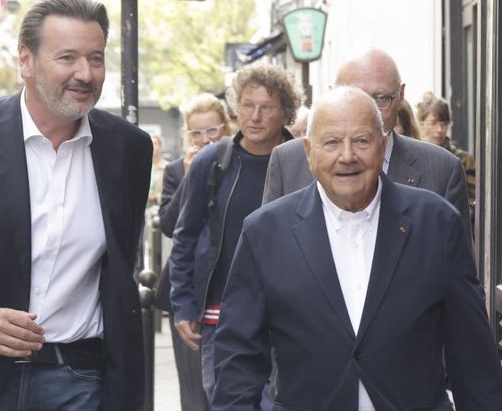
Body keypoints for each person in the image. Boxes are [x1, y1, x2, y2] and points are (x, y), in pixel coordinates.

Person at [0, 0, 152, 411]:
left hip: (80, 380)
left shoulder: (128, 148)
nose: (85, 74)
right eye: (67, 57)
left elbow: (118, 271)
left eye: (96, 59)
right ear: (25, 60)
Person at [213, 87, 502, 411]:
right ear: (309, 152)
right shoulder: (264, 232)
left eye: (361, 141)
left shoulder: (436, 222)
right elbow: (237, 360)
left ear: (381, 146)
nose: (347, 155)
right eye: (332, 142)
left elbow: (472, 355)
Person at [169, 62, 303, 408]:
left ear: (286, 112)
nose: (255, 116)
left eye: (266, 107)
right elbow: (185, 236)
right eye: (247, 105)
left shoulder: (303, 160)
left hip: (288, 315)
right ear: (235, 108)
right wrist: (183, 305)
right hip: (221, 314)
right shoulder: (213, 162)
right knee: (228, 399)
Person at [262, 47, 473, 244]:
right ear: (330, 94)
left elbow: (456, 274)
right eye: (353, 95)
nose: (365, 109)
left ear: (400, 96)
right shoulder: (287, 161)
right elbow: (268, 254)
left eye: (380, 98)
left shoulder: (442, 170)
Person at [155, 93, 233, 411]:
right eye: (196, 133)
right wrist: (190, 178)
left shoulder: (238, 162)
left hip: (228, 287)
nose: (204, 140)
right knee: (194, 390)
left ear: (226, 128)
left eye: (211, 131)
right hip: (188, 292)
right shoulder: (175, 170)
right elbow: (170, 225)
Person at [417, 91, 476, 224]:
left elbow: (473, 202)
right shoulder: (413, 158)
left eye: (444, 123)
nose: (439, 129)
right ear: (422, 124)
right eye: (433, 123)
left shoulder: (464, 159)